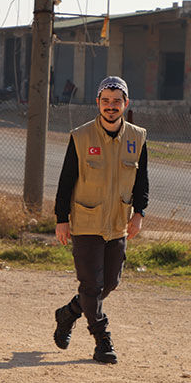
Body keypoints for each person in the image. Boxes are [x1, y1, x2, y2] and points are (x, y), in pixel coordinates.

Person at [51, 75, 149, 364]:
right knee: (91, 286)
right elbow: (65, 181)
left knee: (109, 283)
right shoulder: (81, 136)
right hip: (86, 221)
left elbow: (141, 181)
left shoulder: (137, 137)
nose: (110, 106)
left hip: (118, 223)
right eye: (105, 101)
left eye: (116, 101)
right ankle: (102, 340)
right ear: (97, 103)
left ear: (126, 104)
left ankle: (69, 312)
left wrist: (139, 213)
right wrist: (61, 219)